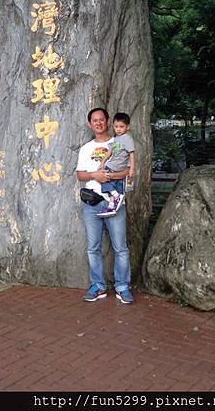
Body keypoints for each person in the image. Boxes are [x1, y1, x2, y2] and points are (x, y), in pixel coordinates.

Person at [76, 108, 133, 304]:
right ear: (89, 124)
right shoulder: (85, 148)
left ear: (108, 122)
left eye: (101, 119)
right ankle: (98, 286)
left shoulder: (119, 141)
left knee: (120, 248)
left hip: (115, 203)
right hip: (92, 203)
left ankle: (122, 286)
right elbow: (80, 174)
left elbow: (128, 170)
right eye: (94, 120)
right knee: (93, 247)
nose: (98, 123)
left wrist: (109, 176)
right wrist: (95, 176)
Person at [98, 112, 135, 217]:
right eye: (116, 126)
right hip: (113, 165)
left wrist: (132, 169)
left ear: (127, 127)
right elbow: (110, 152)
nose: (118, 129)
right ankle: (111, 206)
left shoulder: (127, 138)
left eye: (121, 127)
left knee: (102, 177)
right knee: (113, 185)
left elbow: (131, 154)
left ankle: (116, 195)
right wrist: (102, 162)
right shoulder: (116, 139)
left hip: (115, 166)